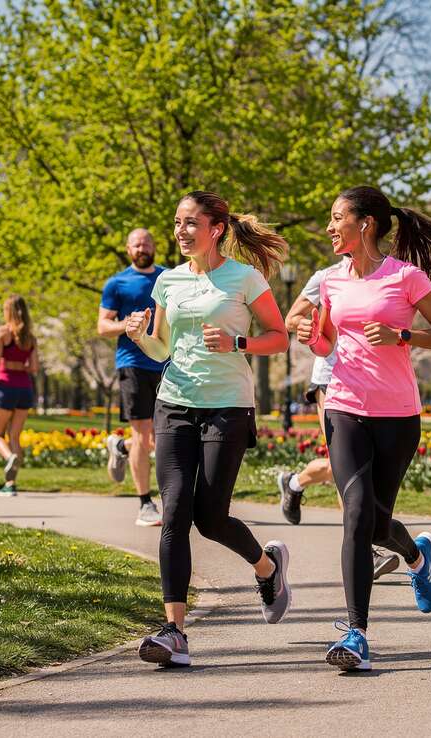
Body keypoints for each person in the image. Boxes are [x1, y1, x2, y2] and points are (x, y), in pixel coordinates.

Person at [125, 191, 292, 668]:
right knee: (175, 512)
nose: (180, 231)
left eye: (190, 223)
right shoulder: (168, 281)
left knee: (211, 518)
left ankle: (267, 567)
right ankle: (174, 632)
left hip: (227, 407)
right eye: (177, 223)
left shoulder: (244, 277)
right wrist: (140, 337)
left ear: (216, 229)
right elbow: (163, 350)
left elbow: (279, 338)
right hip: (174, 403)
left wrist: (238, 342)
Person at [297, 185, 431, 671]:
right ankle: (356, 634)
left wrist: (402, 334)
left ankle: (416, 554)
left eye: (337, 218)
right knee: (355, 516)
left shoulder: (405, 277)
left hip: (397, 416)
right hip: (343, 406)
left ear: (365, 223)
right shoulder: (331, 281)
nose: (330, 227)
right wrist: (313, 336)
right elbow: (327, 344)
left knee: (374, 521)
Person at [276, 258, 405, 579]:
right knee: (345, 465)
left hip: (373, 381)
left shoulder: (391, 275)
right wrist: (305, 327)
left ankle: (294, 482)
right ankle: (366, 551)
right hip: (331, 379)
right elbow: (291, 318)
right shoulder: (326, 277)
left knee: (360, 465)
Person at [98, 228, 168, 527]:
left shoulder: (168, 278)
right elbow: (103, 326)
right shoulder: (117, 283)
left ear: (154, 247)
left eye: (147, 243)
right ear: (128, 249)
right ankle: (145, 503)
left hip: (166, 362)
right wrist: (129, 324)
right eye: (137, 244)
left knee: (161, 436)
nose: (142, 248)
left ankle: (121, 447)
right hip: (133, 364)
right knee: (143, 434)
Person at [0, 295, 38, 497]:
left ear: (8, 312)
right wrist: (20, 364)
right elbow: (34, 367)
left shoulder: (2, 332)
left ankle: (8, 457)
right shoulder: (30, 338)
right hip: (24, 389)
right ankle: (10, 484)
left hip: (5, 387)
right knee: (14, 436)